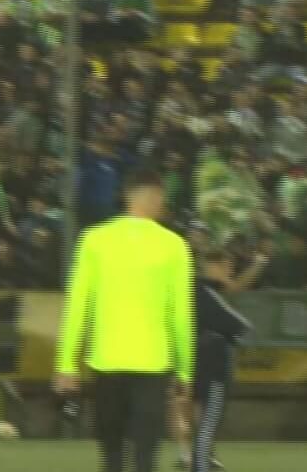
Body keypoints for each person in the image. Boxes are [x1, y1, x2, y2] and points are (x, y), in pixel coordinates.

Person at [55, 169, 195, 472]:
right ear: (155, 197)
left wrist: (67, 363)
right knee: (145, 456)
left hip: (106, 363)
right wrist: (185, 370)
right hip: (153, 365)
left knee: (112, 456)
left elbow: (78, 307)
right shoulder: (174, 245)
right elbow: (180, 314)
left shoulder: (94, 240)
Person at [178, 249, 251, 472]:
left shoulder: (193, 290)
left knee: (197, 420)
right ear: (214, 266)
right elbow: (239, 327)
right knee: (208, 423)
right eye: (227, 267)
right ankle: (199, 466)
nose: (230, 273)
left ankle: (194, 461)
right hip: (211, 367)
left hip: (190, 366)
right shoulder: (204, 291)